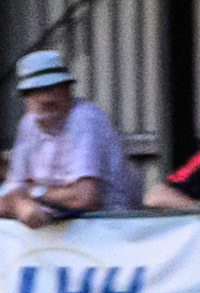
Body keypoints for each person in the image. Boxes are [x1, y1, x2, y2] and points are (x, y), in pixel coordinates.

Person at [0, 49, 139, 228]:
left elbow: (85, 198)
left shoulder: (85, 118)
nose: (45, 98)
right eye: (34, 91)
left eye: (50, 88)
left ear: (67, 89)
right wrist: (21, 205)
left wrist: (32, 192)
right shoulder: (28, 123)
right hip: (60, 236)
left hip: (107, 233)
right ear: (26, 98)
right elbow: (8, 194)